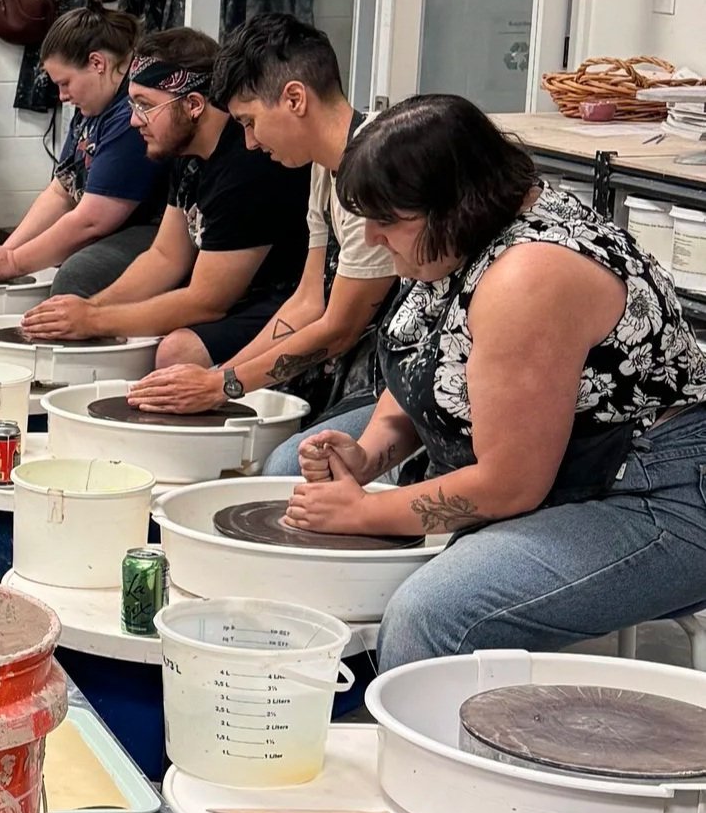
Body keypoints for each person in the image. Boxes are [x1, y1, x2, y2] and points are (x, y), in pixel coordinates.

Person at [283, 94, 706, 668]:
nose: (375, 240)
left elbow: (510, 486)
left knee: (433, 613)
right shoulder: (458, 237)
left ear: (455, 205)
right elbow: (426, 366)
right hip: (570, 465)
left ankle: (422, 753)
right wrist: (366, 458)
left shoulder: (529, 277)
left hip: (660, 492)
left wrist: (362, 512)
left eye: (389, 223)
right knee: (288, 482)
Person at [130, 13, 402, 444]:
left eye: (249, 122)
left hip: (404, 364)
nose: (251, 142)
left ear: (295, 99)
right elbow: (308, 300)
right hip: (358, 352)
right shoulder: (322, 169)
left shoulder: (374, 171)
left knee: (286, 461)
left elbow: (339, 327)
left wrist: (223, 386)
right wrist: (222, 377)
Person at [20, 27, 311, 371]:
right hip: (235, 290)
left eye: (144, 106)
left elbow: (208, 303)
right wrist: (91, 309)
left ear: (193, 105)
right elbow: (165, 256)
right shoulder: (186, 152)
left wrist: (97, 321)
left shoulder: (247, 164)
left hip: (282, 297)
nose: (133, 120)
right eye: (132, 104)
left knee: (176, 350)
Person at [0, 0, 165, 295]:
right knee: (43, 259)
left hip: (157, 231)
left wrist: (12, 262)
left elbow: (92, 221)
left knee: (77, 274)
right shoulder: (94, 104)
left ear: (97, 64)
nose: (63, 96)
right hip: (119, 226)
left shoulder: (127, 117)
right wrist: (3, 253)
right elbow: (61, 190)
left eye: (65, 83)